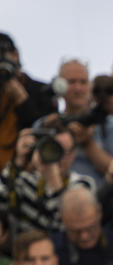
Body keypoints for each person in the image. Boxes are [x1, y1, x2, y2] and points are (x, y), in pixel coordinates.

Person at [0, 124, 93, 234]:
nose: (59, 158)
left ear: (74, 154)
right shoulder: (26, 180)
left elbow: (68, 227)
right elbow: (2, 203)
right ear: (40, 149)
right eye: (54, 149)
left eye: (65, 152)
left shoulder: (82, 185)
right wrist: (18, 160)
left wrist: (54, 181)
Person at [46, 59, 113, 187]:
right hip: (55, 196)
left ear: (90, 86)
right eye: (71, 82)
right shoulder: (47, 124)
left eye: (83, 82)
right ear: (59, 85)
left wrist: (88, 144)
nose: (78, 88)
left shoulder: (109, 125)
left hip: (97, 198)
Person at [0, 32, 56, 169]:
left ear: (15, 55)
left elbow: (46, 132)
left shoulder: (42, 91)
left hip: (27, 171)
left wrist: (21, 98)